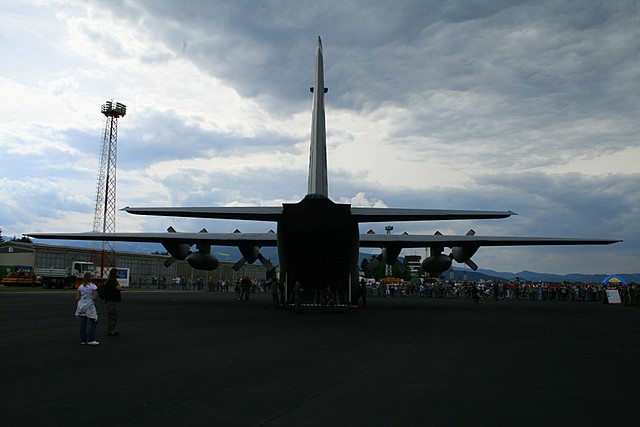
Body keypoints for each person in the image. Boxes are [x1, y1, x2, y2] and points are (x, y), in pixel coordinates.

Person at [75, 271, 99, 345]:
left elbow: (77, 297)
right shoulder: (93, 286)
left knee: (83, 324)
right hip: (89, 305)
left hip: (81, 305)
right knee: (94, 321)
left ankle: (83, 340)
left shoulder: (81, 286)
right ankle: (91, 339)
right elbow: (94, 297)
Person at [103, 268, 123, 336]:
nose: (118, 274)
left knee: (115, 315)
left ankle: (113, 328)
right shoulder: (111, 281)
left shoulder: (113, 281)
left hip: (114, 300)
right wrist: (121, 287)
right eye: (117, 273)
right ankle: (110, 330)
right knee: (112, 315)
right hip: (112, 301)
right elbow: (117, 287)